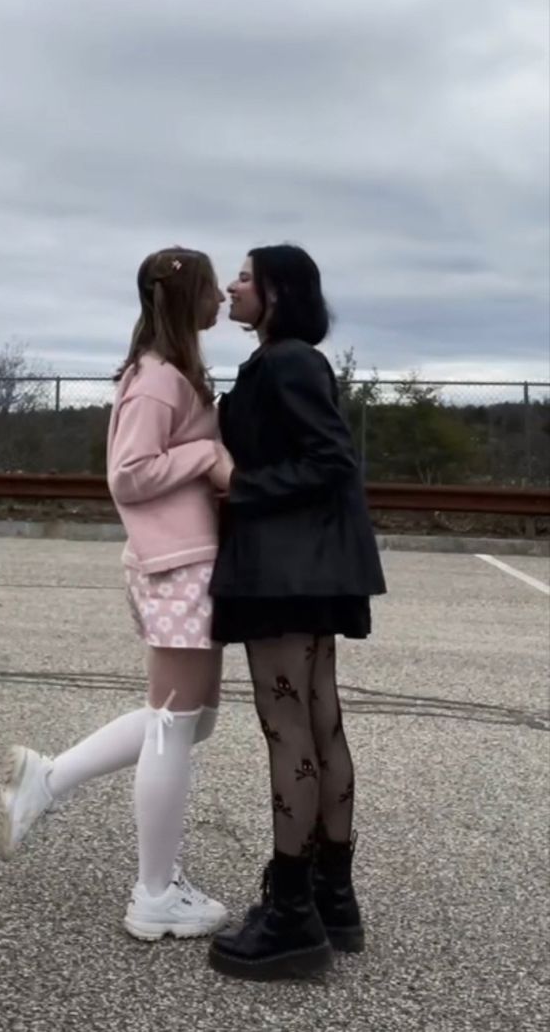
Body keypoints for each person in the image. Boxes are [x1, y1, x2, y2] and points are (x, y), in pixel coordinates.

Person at [0, 247, 234, 942]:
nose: (221, 298)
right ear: (190, 297)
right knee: (171, 726)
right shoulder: (158, 380)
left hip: (185, 560)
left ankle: (48, 779)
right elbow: (129, 474)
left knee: (192, 721)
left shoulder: (168, 373)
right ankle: (154, 893)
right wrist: (209, 457)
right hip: (177, 563)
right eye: (213, 288)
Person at [206, 244, 387, 981]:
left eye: (245, 277)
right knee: (318, 724)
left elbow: (332, 459)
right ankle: (329, 896)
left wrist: (239, 485)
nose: (232, 287)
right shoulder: (285, 360)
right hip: (304, 566)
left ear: (278, 292)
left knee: (292, 731)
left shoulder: (287, 362)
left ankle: (291, 914)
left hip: (284, 570)